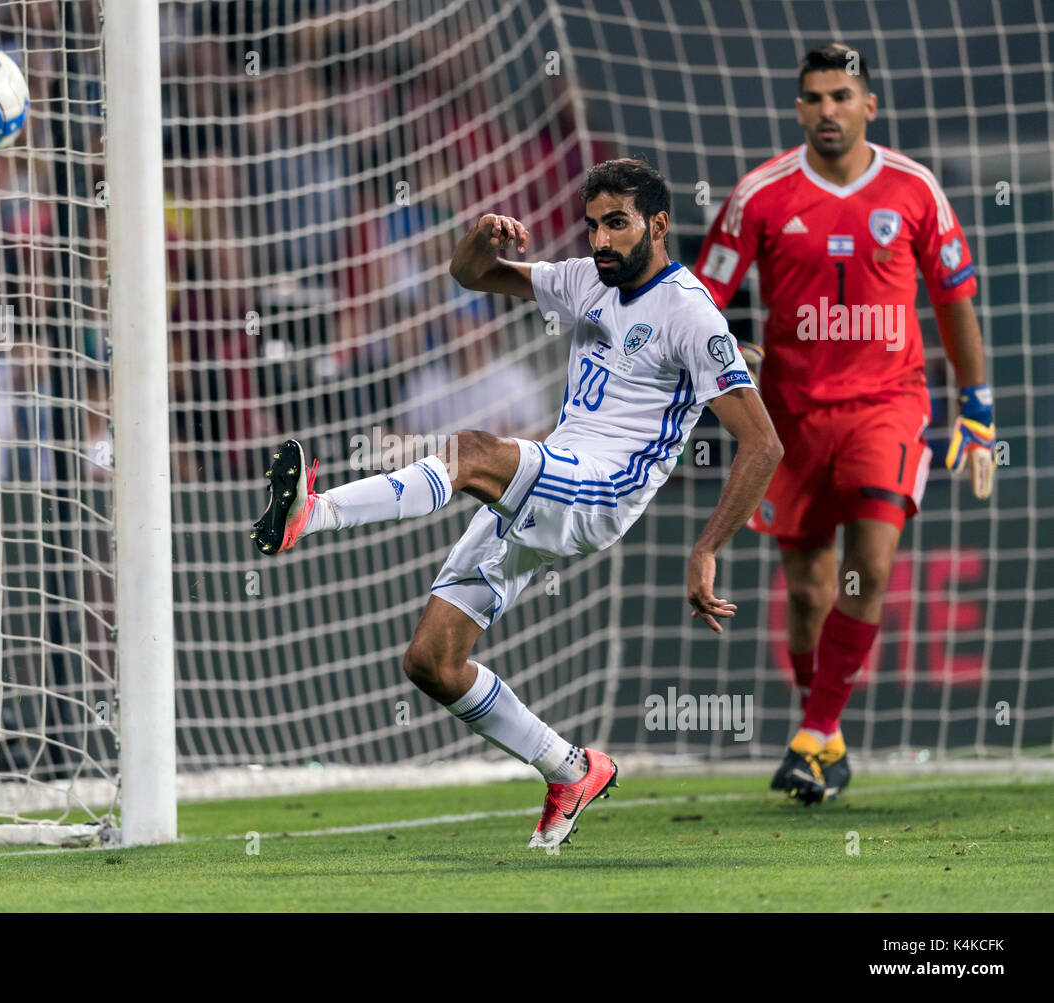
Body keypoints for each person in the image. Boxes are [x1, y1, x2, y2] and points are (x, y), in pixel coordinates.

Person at [251, 158, 782, 850]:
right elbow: (472, 275)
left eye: (616, 224)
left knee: (472, 452)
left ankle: (310, 513)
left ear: (657, 224)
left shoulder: (688, 312)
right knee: (431, 661)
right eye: (592, 225)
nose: (600, 240)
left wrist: (706, 547)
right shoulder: (585, 278)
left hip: (603, 490)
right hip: (553, 477)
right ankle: (570, 768)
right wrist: (481, 238)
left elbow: (763, 444)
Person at [691, 44, 994, 804]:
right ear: (799, 110)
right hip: (790, 416)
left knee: (873, 557)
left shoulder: (915, 189)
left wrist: (977, 404)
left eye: (841, 95)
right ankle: (822, 738)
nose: (828, 109)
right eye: (814, 97)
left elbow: (954, 299)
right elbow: (701, 297)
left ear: (869, 106)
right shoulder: (759, 194)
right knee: (807, 591)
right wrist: (727, 343)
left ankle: (811, 730)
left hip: (889, 404)